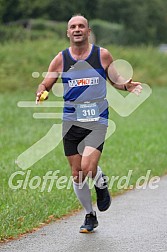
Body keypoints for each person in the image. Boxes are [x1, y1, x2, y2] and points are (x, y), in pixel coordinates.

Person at [36, 14, 142, 233]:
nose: (77, 29)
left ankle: (100, 182)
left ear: (88, 31)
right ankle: (89, 215)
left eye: (81, 26)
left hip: (97, 117)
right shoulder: (61, 59)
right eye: (73, 27)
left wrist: (126, 85)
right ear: (68, 32)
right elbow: (46, 82)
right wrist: (41, 90)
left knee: (87, 167)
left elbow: (115, 79)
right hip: (71, 119)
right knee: (77, 174)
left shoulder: (101, 55)